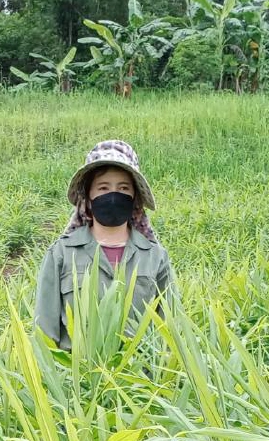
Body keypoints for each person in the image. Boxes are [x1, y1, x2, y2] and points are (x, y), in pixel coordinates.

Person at [35, 140, 174, 351]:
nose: (113, 195)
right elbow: (44, 333)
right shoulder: (61, 253)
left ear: (134, 197)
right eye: (103, 188)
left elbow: (170, 330)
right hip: (77, 370)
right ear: (88, 197)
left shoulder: (155, 257)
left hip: (140, 371)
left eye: (123, 188)